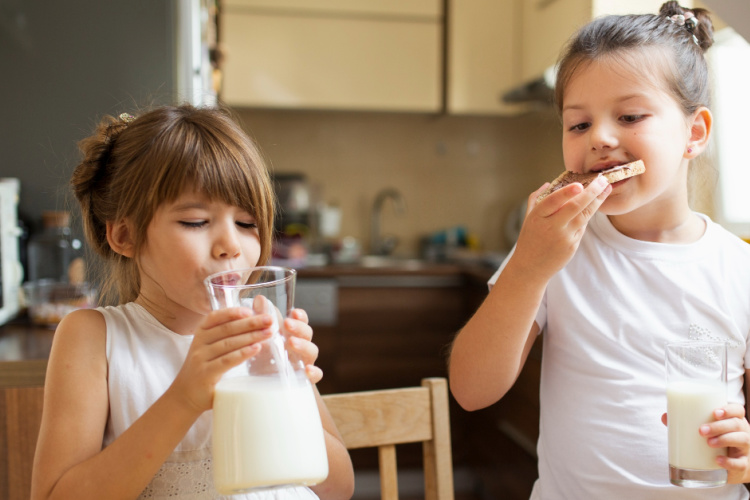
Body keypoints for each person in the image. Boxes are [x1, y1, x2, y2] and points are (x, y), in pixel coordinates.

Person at [449, 2, 750, 498]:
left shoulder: (737, 269)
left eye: (629, 116)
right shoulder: (552, 250)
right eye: (578, 124)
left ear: (693, 134)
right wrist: (528, 266)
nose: (601, 139)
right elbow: (472, 390)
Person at [30, 104, 355, 500]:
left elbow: (338, 487)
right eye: (196, 222)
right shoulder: (94, 339)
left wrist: (282, 382)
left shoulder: (262, 322)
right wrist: (184, 397)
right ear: (125, 237)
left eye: (247, 223)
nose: (231, 245)